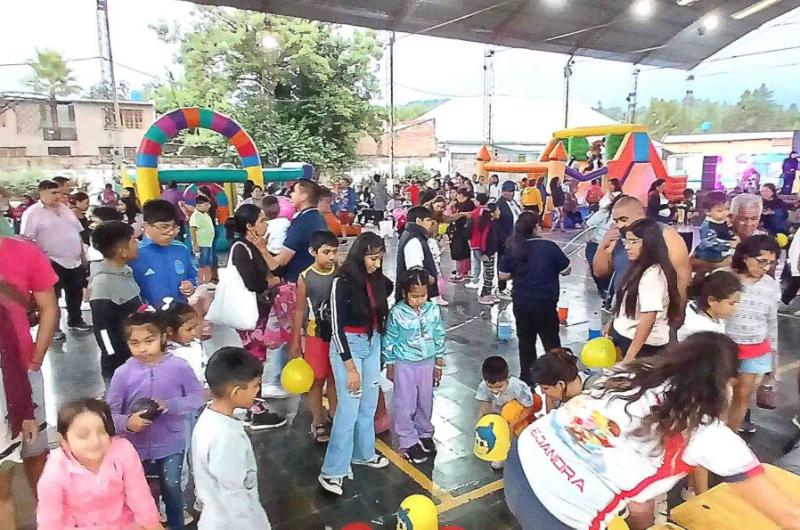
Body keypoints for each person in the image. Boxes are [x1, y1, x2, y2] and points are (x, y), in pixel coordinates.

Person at [505, 332, 800, 530]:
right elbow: (787, 515)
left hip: (521, 457)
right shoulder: (706, 433)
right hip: (556, 511)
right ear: (727, 383)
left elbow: (638, 499)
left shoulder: (630, 373)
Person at [107, 309, 206, 530]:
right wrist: (127, 423)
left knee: (172, 490)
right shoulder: (122, 374)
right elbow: (109, 415)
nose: (142, 348)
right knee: (138, 496)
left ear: (163, 337)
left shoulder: (178, 367)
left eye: (149, 340)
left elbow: (197, 396)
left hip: (171, 444)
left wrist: (170, 405)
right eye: (135, 343)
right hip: (133, 449)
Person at [318, 233, 392, 496]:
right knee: (348, 409)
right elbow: (336, 328)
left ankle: (364, 453)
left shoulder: (376, 280)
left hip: (372, 344)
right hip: (348, 347)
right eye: (373, 258)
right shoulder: (343, 281)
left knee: (369, 403)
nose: (377, 263)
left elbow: (389, 292)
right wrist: (349, 368)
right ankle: (332, 471)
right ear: (360, 255)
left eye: (380, 258)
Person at [36, 398, 161, 530]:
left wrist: (152, 524)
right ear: (63, 440)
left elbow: (140, 497)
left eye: (101, 431)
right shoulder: (55, 472)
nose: (95, 441)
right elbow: (49, 521)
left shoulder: (124, 451)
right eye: (83, 435)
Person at [224, 204, 288, 430]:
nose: (265, 224)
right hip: (249, 315)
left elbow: (276, 267)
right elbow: (253, 282)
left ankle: (255, 403)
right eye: (261, 221)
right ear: (250, 226)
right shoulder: (241, 248)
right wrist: (269, 283)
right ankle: (255, 409)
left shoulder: (254, 246)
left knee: (258, 357)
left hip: (258, 314)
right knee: (254, 358)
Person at [192, 347, 271, 528]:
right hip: (232, 522)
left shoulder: (208, 418)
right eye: (255, 385)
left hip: (214, 515)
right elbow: (234, 492)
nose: (258, 391)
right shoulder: (226, 438)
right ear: (236, 392)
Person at [499, 211, 570, 384]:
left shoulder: (513, 247)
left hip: (521, 302)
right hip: (545, 302)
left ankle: (527, 378)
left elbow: (502, 275)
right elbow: (566, 269)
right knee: (551, 341)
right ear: (537, 227)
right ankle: (557, 377)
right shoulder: (549, 247)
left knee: (526, 341)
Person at [384, 269, 445, 464]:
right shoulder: (396, 313)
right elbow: (390, 340)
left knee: (425, 400)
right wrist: (390, 364)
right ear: (404, 293)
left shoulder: (433, 310)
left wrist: (439, 364)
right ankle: (408, 440)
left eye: (423, 295)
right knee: (405, 403)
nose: (419, 300)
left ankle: (424, 432)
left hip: (427, 363)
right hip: (405, 364)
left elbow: (439, 335)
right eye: (414, 296)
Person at [592, 195, 691, 310]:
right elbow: (599, 272)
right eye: (616, 220)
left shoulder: (665, 234)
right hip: (623, 310)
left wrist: (677, 315)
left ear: (641, 215)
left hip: (656, 311)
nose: (619, 225)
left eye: (624, 219)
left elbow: (683, 278)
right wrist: (604, 245)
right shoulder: (617, 237)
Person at [725, 235, 780, 435]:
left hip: (755, 348)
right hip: (724, 348)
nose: (766, 268)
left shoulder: (771, 285)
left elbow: (772, 322)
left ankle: (731, 437)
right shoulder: (725, 277)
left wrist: (773, 362)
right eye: (762, 261)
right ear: (745, 257)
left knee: (743, 395)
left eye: (771, 263)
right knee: (720, 394)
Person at [290, 230, 340, 443]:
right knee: (317, 379)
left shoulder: (340, 271)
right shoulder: (305, 277)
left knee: (336, 377)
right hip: (316, 335)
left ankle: (336, 416)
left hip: (338, 334)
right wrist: (295, 341)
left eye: (334, 252)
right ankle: (318, 420)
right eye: (326, 252)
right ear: (313, 252)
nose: (331, 257)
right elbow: (300, 311)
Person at [21, 179, 91, 332]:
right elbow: (27, 241)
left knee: (75, 292)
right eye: (54, 193)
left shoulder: (66, 209)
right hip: (51, 261)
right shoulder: (32, 213)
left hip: (74, 260)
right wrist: (40, 261)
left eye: (59, 192)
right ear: (42, 193)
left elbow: (77, 233)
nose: (58, 196)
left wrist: (83, 255)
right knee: (52, 298)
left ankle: (75, 319)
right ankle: (54, 328)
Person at [610, 218, 681, 362]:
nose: (628, 247)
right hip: (628, 338)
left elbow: (649, 318)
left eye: (634, 242)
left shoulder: (652, 275)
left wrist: (630, 356)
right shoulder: (639, 267)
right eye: (626, 242)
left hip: (643, 347)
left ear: (649, 244)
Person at [88, 221, 142, 379]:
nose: (137, 242)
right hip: (120, 367)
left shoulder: (125, 272)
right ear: (121, 250)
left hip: (136, 356)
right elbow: (102, 330)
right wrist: (113, 360)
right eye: (133, 239)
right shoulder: (103, 284)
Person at [130, 199, 196, 306]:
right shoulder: (135, 253)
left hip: (180, 313)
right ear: (146, 226)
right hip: (150, 317)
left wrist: (191, 285)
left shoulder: (181, 249)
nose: (170, 232)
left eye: (173, 227)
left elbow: (192, 275)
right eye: (164, 227)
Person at [475, 356, 535, 470]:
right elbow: (484, 405)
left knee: (519, 434)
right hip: (499, 415)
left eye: (499, 387)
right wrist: (480, 422)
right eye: (490, 387)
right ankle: (501, 455)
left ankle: (525, 452)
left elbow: (529, 408)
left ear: (507, 378)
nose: (495, 390)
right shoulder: (483, 386)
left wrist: (514, 422)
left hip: (518, 415)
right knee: (497, 432)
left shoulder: (518, 387)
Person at [677, 269, 741, 341]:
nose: (735, 308)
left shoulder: (691, 308)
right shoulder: (701, 329)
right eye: (731, 303)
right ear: (712, 300)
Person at [530, 348, 597, 412]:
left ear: (561, 384)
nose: (542, 392)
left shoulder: (595, 394)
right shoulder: (554, 393)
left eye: (545, 388)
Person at [396, 206, 439, 302]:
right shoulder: (414, 240)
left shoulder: (410, 234)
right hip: (416, 298)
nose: (430, 224)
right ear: (419, 220)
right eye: (428, 220)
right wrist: (428, 278)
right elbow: (415, 272)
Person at [584, 195, 619, 300]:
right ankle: (602, 288)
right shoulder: (604, 214)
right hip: (596, 244)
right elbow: (589, 224)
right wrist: (589, 237)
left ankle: (610, 291)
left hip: (614, 247)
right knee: (595, 268)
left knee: (611, 270)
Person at [695, 191, 738, 263]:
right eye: (720, 211)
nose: (725, 213)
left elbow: (726, 232)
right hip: (710, 253)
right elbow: (709, 243)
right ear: (708, 211)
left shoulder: (723, 220)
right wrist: (729, 244)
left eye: (727, 209)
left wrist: (733, 236)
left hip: (723, 249)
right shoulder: (707, 226)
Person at [496, 181, 521, 298]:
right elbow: (497, 225)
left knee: (516, 262)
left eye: (512, 192)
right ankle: (501, 288)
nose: (510, 194)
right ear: (503, 191)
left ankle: (514, 286)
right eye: (508, 191)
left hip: (517, 238)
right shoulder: (499, 205)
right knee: (503, 263)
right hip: (505, 239)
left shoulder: (514, 203)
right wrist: (505, 239)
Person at [448, 188, 475, 282]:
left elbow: (472, 215)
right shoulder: (456, 204)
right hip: (456, 229)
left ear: (462, 195)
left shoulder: (469, 204)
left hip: (464, 229)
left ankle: (463, 272)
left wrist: (462, 214)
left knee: (462, 251)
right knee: (458, 250)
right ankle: (461, 271)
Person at [476, 202, 501, 305]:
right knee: (488, 275)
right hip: (487, 253)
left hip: (492, 252)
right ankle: (484, 295)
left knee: (490, 274)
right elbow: (484, 240)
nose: (499, 212)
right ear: (492, 213)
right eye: (497, 210)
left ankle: (489, 293)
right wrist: (484, 253)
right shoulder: (487, 225)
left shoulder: (493, 223)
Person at [189, 195, 216, 284]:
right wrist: (195, 244)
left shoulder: (205, 214)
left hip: (208, 243)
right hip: (201, 244)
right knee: (201, 264)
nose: (209, 206)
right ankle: (200, 282)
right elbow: (193, 230)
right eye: (206, 205)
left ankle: (207, 282)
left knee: (209, 263)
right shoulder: (195, 216)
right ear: (199, 205)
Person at [466, 193, 491, 290]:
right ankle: (485, 280)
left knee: (476, 262)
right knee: (487, 263)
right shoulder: (488, 211)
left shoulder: (474, 213)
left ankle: (475, 280)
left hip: (475, 240)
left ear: (479, 201)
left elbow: (469, 228)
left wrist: (468, 238)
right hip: (486, 241)